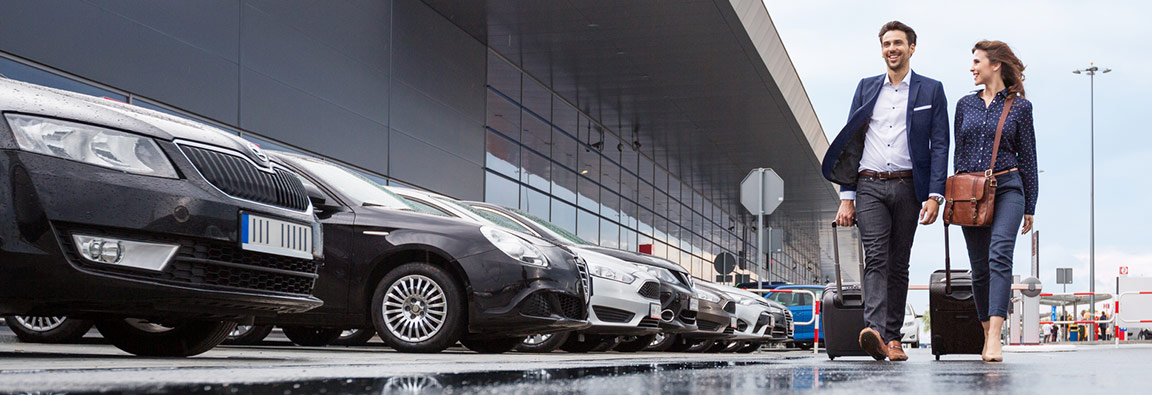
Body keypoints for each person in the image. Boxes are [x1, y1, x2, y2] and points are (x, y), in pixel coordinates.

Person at [821, 21, 950, 362]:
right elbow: (851, 141)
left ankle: (893, 339)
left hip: (909, 187)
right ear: (881, 50)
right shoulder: (866, 88)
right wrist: (846, 196)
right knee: (876, 256)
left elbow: (940, 145)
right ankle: (875, 331)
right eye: (886, 44)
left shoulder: (931, 90)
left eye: (898, 43)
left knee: (899, 263)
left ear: (911, 48)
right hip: (869, 185)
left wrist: (936, 195)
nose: (891, 48)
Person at [955, 40, 1038, 362]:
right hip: (971, 193)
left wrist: (1031, 205)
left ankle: (994, 337)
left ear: (995, 65)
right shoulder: (964, 104)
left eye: (977, 61)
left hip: (1008, 188)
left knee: (999, 255)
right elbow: (958, 156)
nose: (972, 67)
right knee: (978, 269)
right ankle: (985, 328)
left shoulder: (1020, 107)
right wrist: (957, 197)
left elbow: (1028, 158)